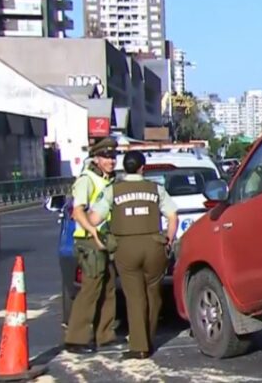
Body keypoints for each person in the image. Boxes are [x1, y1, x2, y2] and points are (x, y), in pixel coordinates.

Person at [89, 150, 178, 359]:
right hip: (154, 245)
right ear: (142, 168)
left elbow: (94, 219)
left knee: (135, 297)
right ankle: (150, 337)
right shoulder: (156, 189)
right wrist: (168, 239)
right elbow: (173, 215)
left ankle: (139, 346)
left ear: (125, 168)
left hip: (126, 246)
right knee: (153, 294)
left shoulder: (113, 190)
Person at [63, 137, 120, 354]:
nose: (111, 161)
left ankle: (105, 335)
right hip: (89, 241)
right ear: (96, 158)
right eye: (106, 157)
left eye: (113, 157)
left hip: (106, 239)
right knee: (91, 289)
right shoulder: (87, 180)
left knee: (109, 287)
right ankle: (76, 339)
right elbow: (77, 211)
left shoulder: (110, 180)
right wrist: (92, 230)